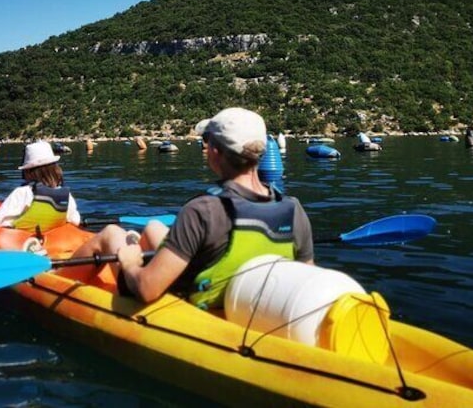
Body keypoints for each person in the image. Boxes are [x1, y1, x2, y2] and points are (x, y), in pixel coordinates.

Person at [72, 107, 314, 308]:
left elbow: (147, 289)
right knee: (154, 227)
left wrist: (130, 263)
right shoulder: (293, 209)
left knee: (112, 233)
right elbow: (305, 279)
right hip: (243, 298)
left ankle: (55, 284)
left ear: (215, 152)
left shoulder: (203, 210)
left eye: (206, 142)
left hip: (194, 299)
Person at [0, 140, 81, 231]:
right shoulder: (66, 196)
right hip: (52, 241)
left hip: (20, 241)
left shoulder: (23, 193)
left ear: (28, 171)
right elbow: (76, 221)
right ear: (55, 169)